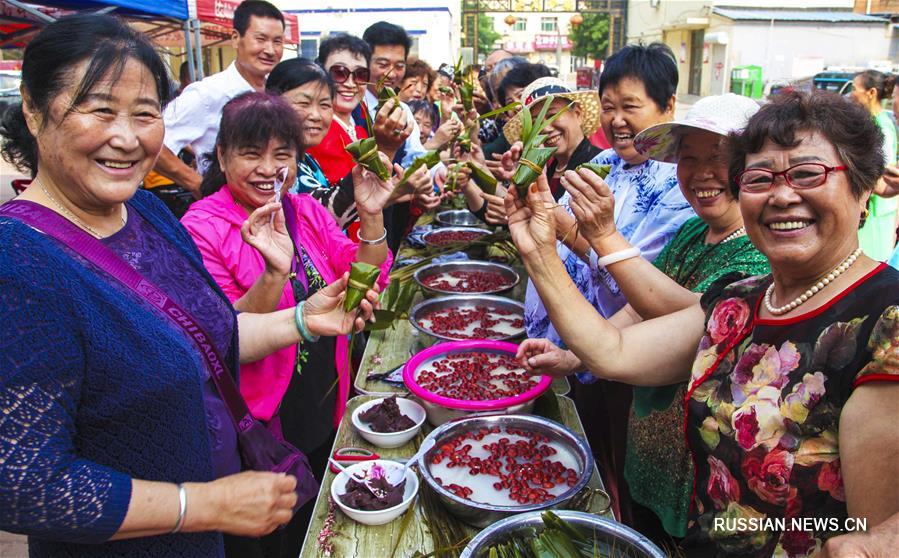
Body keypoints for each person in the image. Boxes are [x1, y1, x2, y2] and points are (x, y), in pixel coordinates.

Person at [0, 15, 378, 558]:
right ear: (35, 112)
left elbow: (207, 337)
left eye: (146, 113)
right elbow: (23, 483)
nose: (126, 137)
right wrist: (200, 506)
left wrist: (302, 318)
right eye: (100, 109)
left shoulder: (147, 213)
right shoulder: (20, 260)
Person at [511, 90, 898, 557]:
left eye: (807, 173)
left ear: (862, 188)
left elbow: (868, 530)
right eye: (759, 178)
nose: (781, 195)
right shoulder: (742, 299)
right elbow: (612, 351)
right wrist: (538, 252)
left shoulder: (886, 325)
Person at [531, 93, 769, 545]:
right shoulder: (693, 231)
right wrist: (571, 359)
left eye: (718, 158)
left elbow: (697, 316)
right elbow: (638, 308)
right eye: (688, 158)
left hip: (699, 469)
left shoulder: (759, 254)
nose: (700, 174)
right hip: (649, 446)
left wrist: (602, 237)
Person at [181, 92, 393, 558]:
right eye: (251, 153)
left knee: (315, 526)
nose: (268, 168)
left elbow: (364, 271)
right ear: (222, 155)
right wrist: (275, 274)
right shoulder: (202, 227)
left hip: (321, 403)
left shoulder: (305, 212)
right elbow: (223, 337)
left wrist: (372, 215)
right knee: (273, 540)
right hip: (258, 425)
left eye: (282, 155)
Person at [518, 43, 694, 518]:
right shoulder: (606, 168)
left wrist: (583, 236)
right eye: (610, 108)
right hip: (576, 348)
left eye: (631, 107)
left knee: (611, 477)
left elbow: (643, 293)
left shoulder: (680, 188)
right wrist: (543, 209)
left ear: (668, 108)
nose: (617, 121)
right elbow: (582, 242)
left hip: (625, 361)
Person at [154, 0, 285, 193]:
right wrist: (199, 186)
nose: (270, 50)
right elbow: (154, 144)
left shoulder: (276, 91)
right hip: (226, 215)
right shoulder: (208, 93)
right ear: (235, 38)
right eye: (261, 39)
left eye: (277, 41)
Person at [503, 76, 602, 201]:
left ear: (577, 114)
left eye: (552, 115)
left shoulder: (600, 164)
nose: (546, 128)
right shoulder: (547, 169)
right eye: (536, 123)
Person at [851, 70, 898, 262]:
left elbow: (882, 177)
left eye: (855, 88)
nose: (851, 93)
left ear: (871, 93)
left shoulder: (883, 128)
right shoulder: (870, 123)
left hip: (876, 214)